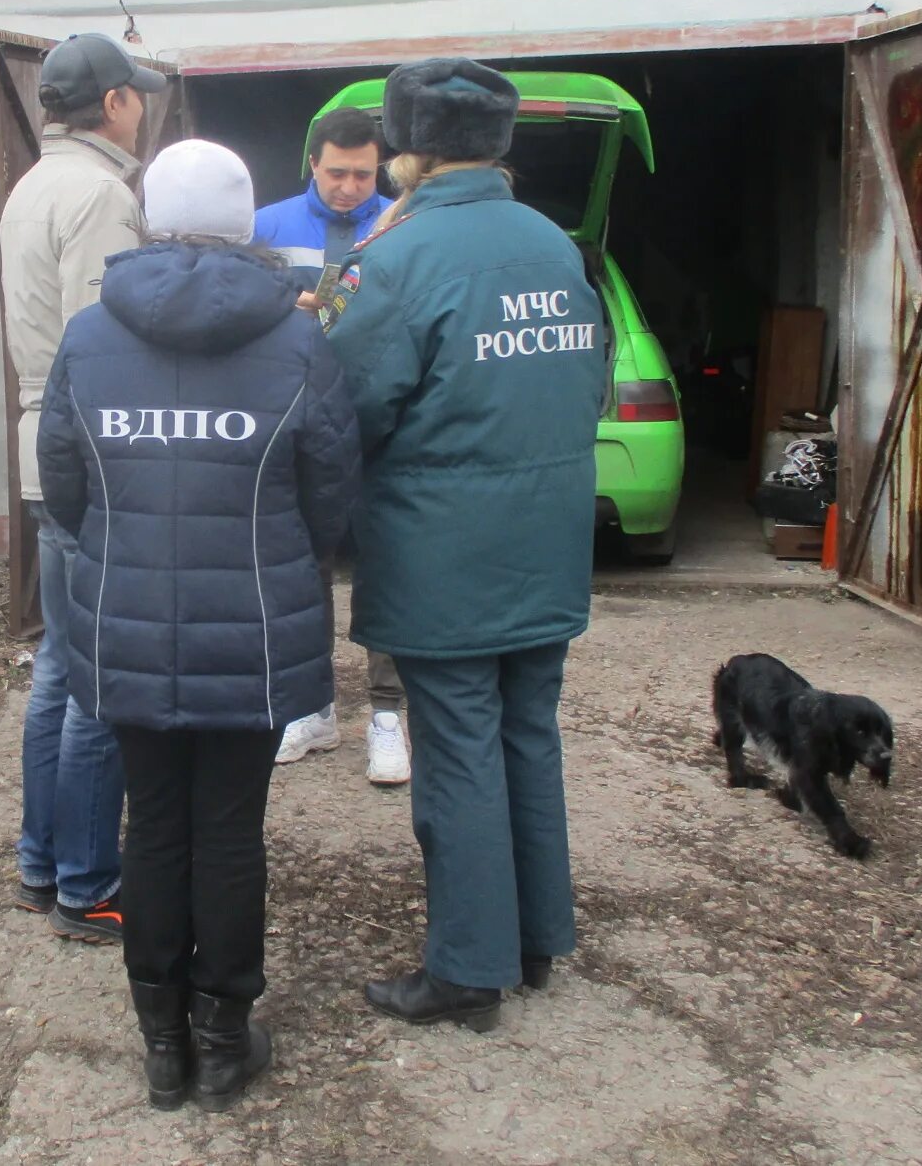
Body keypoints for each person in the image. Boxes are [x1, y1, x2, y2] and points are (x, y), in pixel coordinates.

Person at [37, 139, 360, 1111]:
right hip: (252, 633)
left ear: (149, 217)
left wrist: (122, 547)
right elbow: (333, 495)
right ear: (243, 222)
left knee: (151, 825)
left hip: (127, 624)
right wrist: (276, 556)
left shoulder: (90, 339)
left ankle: (160, 1045)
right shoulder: (297, 341)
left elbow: (62, 486)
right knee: (228, 831)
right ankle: (223, 1039)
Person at [321, 58, 607, 1033]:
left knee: (455, 754)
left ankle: (464, 970)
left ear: (407, 153)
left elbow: (348, 404)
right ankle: (532, 941)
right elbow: (591, 379)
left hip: (442, 549)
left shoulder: (395, 260)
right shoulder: (552, 246)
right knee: (527, 732)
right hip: (548, 533)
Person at [0, 32, 166, 943]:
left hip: (40, 445)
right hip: (87, 454)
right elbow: (102, 348)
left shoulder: (33, 183)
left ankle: (40, 861)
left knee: (61, 670)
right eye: (135, 94)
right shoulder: (102, 193)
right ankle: (88, 885)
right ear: (113, 104)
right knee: (98, 682)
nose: (142, 106)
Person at [250, 106, 409, 784]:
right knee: (301, 568)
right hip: (293, 421)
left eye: (363, 174)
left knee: (385, 565)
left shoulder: (400, 225)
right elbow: (239, 309)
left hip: (377, 418)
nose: (349, 187)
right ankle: (311, 708)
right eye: (337, 173)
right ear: (312, 163)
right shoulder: (268, 225)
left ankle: (388, 715)